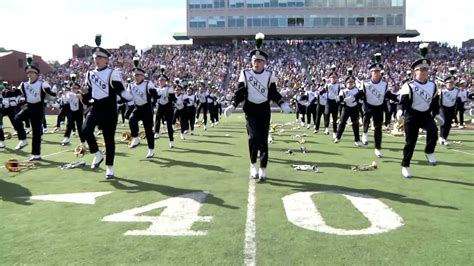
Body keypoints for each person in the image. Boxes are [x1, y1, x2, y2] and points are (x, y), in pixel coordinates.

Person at [224, 32, 291, 182]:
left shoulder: (269, 75)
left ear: (264, 62)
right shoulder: (245, 74)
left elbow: (273, 92)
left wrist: (282, 103)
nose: (257, 63)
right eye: (255, 60)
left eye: (260, 61)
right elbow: (240, 92)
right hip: (251, 110)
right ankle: (253, 164)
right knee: (253, 138)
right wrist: (233, 105)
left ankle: (263, 168)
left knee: (263, 139)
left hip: (264, 110)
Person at [81, 34, 132, 179]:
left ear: (106, 59)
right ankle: (97, 154)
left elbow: (121, 91)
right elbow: (90, 94)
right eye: (95, 58)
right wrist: (84, 96)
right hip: (96, 108)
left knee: (108, 139)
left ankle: (109, 167)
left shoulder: (113, 73)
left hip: (109, 110)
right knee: (85, 130)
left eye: (99, 58)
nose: (96, 60)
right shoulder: (90, 74)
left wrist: (131, 101)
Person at [397, 43, 443, 178]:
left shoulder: (432, 85)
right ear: (415, 72)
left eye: (426, 70)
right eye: (421, 70)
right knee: (410, 142)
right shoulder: (408, 85)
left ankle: (429, 151)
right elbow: (402, 102)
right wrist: (400, 112)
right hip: (411, 115)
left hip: (425, 114)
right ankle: (405, 165)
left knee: (433, 131)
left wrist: (437, 114)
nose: (423, 72)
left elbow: (434, 103)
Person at [14, 54, 57, 160]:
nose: (29, 74)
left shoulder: (42, 83)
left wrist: (52, 92)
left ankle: (36, 154)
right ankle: (23, 139)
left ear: (36, 73)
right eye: (28, 72)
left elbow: (51, 93)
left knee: (36, 132)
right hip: (29, 107)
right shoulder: (23, 84)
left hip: (38, 109)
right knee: (16, 119)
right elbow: (17, 92)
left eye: (32, 72)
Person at [360, 53, 399, 157]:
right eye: (374, 72)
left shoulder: (384, 84)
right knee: (367, 116)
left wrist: (398, 97)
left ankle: (377, 148)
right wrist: (354, 98)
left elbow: (388, 95)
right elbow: (361, 93)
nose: (376, 74)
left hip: (379, 107)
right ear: (371, 73)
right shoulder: (366, 83)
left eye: (378, 72)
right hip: (368, 105)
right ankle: (364, 134)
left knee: (378, 128)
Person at [127, 56, 157, 158]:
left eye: (139, 75)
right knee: (131, 119)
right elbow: (127, 96)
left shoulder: (148, 83)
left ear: (143, 76)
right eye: (135, 75)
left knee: (148, 130)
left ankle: (151, 150)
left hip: (147, 108)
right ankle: (135, 138)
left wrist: (154, 103)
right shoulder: (131, 85)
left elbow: (154, 95)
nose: (136, 77)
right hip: (138, 108)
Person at [333, 69, 363, 146]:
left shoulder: (357, 90)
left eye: (351, 82)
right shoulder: (343, 90)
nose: (350, 84)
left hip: (354, 108)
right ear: (346, 83)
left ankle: (357, 140)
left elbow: (361, 97)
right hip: (346, 108)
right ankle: (338, 137)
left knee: (355, 124)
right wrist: (343, 99)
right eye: (348, 83)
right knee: (342, 123)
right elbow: (338, 100)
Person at [154, 66, 176, 148]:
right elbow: (155, 98)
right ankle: (156, 132)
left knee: (169, 125)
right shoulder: (157, 89)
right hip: (160, 106)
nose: (161, 81)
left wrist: (169, 96)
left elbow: (172, 98)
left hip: (168, 107)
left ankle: (171, 141)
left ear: (165, 81)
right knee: (157, 118)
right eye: (160, 80)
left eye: (162, 80)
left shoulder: (169, 88)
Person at [61, 73, 85, 146]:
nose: (72, 89)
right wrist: (65, 92)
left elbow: (81, 99)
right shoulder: (69, 94)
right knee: (69, 124)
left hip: (79, 112)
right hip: (72, 111)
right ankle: (66, 137)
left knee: (79, 126)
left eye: (74, 88)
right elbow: (65, 99)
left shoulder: (79, 94)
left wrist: (78, 94)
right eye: (72, 88)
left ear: (77, 89)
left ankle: (83, 141)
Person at [438, 71, 460, 145]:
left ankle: (445, 137)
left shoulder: (457, 90)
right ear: (446, 83)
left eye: (452, 83)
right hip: (443, 108)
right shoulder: (442, 90)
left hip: (451, 108)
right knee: (443, 122)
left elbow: (457, 100)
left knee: (448, 124)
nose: (450, 84)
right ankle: (441, 137)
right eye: (449, 83)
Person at [323, 66, 341, 138]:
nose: (333, 79)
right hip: (329, 101)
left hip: (335, 102)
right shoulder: (327, 85)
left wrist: (339, 98)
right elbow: (323, 90)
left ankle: (334, 132)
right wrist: (319, 92)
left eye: (334, 77)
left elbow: (341, 93)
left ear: (336, 78)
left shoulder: (339, 85)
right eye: (332, 77)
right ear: (330, 79)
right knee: (326, 114)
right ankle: (326, 128)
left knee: (334, 118)